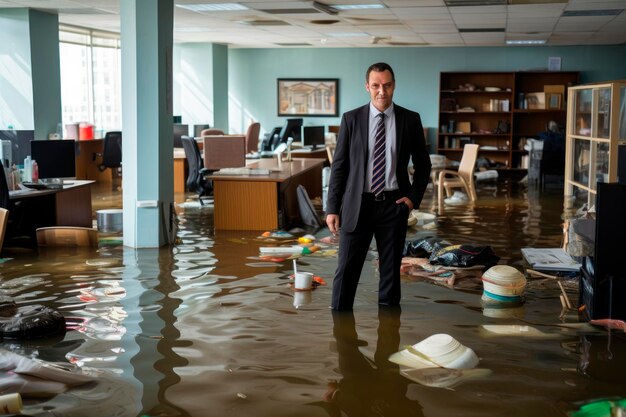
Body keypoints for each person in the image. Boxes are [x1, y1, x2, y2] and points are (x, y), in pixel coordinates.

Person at [326, 62, 431, 310]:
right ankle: (341, 336)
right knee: (346, 272)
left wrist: (412, 199)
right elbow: (339, 167)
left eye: (387, 85)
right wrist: (332, 208)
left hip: (393, 206)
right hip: (356, 206)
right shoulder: (351, 119)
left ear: (394, 86)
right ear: (367, 87)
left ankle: (388, 336)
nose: (381, 91)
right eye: (376, 85)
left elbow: (423, 165)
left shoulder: (410, 119)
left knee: (390, 275)